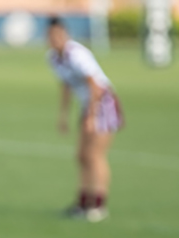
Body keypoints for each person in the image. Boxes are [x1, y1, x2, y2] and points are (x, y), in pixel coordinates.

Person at [46, 16, 123, 223]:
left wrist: (92, 116)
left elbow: (95, 85)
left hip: (102, 104)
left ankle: (98, 204)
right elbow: (66, 85)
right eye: (50, 36)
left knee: (95, 155)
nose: (54, 40)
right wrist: (63, 116)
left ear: (65, 34)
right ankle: (82, 202)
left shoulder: (77, 54)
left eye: (57, 35)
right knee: (81, 155)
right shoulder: (53, 58)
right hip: (87, 106)